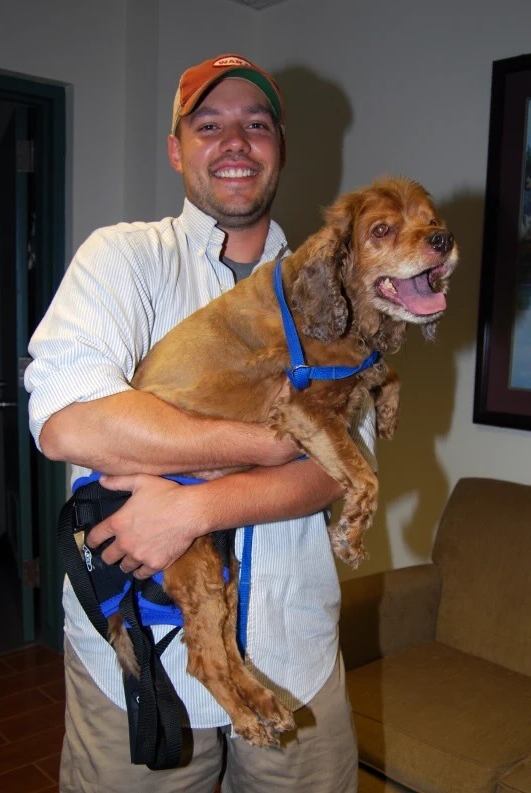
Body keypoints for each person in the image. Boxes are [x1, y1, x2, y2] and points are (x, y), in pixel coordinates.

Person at [25, 53, 375, 793]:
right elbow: (66, 424)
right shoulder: (123, 259)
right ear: (178, 149)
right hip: (140, 652)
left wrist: (193, 506)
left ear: (280, 147)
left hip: (296, 654)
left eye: (256, 124)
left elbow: (338, 466)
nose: (236, 142)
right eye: (209, 124)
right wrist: (273, 441)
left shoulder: (336, 290)